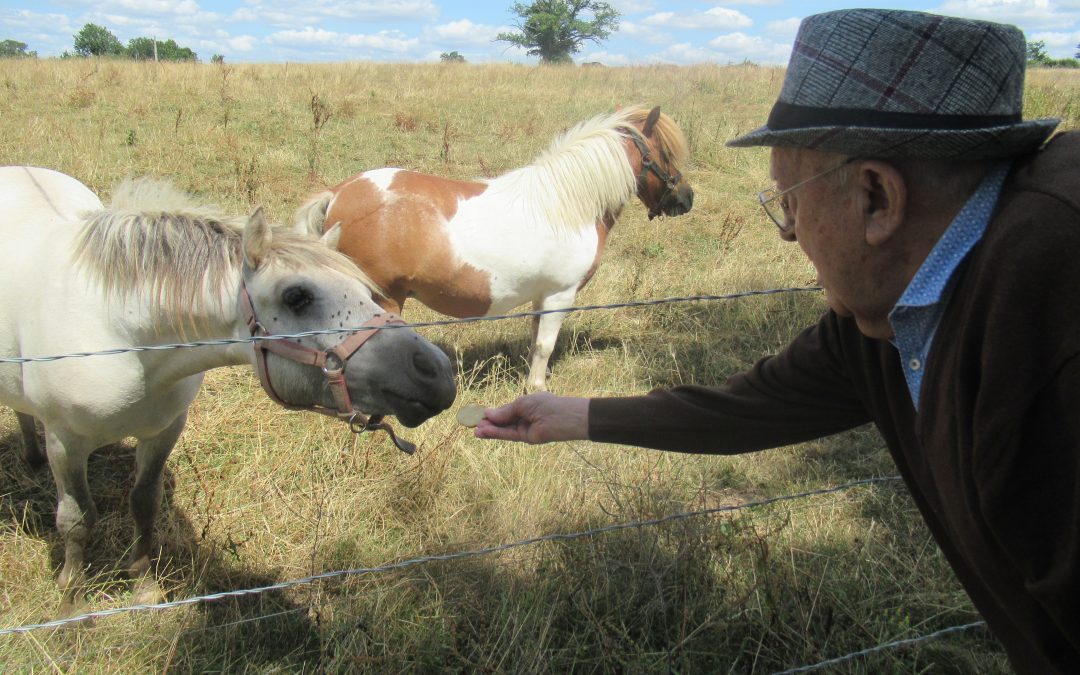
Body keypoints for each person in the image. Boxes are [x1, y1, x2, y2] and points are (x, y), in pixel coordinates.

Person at [473, 8, 1079, 674]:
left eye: (788, 200)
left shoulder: (1047, 307)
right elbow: (758, 402)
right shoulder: (898, 303)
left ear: (877, 198)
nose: (787, 233)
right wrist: (579, 414)